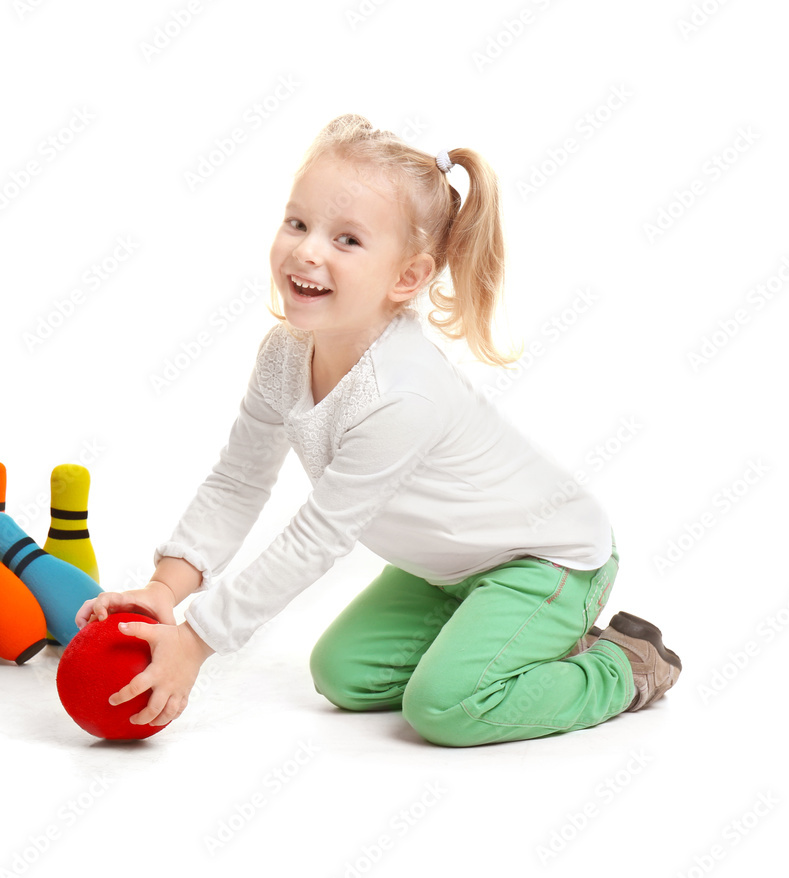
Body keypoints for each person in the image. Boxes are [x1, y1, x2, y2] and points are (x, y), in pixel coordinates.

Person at [75, 114, 681, 747]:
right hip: (448, 571)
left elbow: (316, 536)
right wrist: (165, 588)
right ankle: (517, 640)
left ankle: (623, 665)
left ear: (408, 278)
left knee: (444, 709)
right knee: (343, 676)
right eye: (298, 223)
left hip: (548, 561)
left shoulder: (403, 392)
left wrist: (197, 641)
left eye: (347, 240)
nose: (308, 250)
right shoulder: (285, 354)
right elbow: (238, 479)